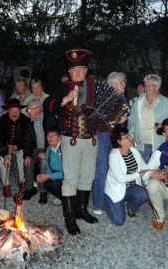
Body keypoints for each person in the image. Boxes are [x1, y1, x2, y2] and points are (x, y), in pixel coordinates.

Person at [45, 48, 124, 235]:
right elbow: (47, 106)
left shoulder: (95, 87)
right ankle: (69, 219)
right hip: (70, 139)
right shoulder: (63, 87)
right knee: (70, 178)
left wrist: (117, 118)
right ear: (70, 72)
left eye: (81, 69)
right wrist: (65, 99)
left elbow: (108, 112)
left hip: (92, 140)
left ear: (86, 70)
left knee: (88, 176)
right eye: (74, 70)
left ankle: (81, 210)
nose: (78, 72)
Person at [92, 72, 128, 215]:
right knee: (101, 171)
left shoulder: (123, 98)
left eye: (124, 82)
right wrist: (115, 121)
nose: (124, 85)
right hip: (102, 137)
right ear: (112, 84)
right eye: (122, 82)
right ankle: (97, 204)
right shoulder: (104, 98)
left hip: (115, 137)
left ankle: (108, 201)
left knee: (112, 171)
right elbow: (97, 119)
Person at [128, 74, 168, 163]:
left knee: (158, 170)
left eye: (150, 85)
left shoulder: (166, 102)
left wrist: (165, 124)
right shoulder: (139, 101)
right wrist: (131, 135)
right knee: (142, 171)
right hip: (141, 143)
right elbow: (132, 120)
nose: (147, 88)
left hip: (158, 143)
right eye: (146, 85)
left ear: (157, 87)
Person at [104, 126, 149, 226]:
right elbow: (121, 178)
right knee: (119, 221)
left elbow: (144, 166)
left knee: (144, 194)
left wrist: (154, 172)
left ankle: (130, 208)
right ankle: (107, 202)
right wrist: (139, 174)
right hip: (116, 190)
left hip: (131, 188)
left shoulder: (133, 150)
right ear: (119, 141)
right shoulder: (114, 155)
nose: (129, 137)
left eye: (128, 135)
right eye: (126, 136)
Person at [0, 98, 36, 197]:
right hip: (5, 147)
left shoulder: (25, 120)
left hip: (19, 147)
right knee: (2, 160)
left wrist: (16, 146)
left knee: (23, 157)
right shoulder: (1, 121)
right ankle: (6, 184)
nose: (14, 113)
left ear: (20, 111)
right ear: (7, 110)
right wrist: (5, 154)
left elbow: (28, 140)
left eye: (16, 111)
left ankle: (22, 181)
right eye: (12, 111)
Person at [22, 99, 49, 204]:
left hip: (48, 148)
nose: (27, 112)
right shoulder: (29, 122)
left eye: (29, 109)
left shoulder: (48, 119)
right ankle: (29, 188)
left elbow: (54, 138)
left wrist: (47, 152)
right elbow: (27, 141)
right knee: (28, 161)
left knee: (44, 161)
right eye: (27, 109)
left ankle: (43, 191)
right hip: (37, 148)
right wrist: (27, 155)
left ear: (38, 109)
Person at [35, 126, 63, 204]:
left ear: (59, 137)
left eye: (53, 135)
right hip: (55, 174)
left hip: (66, 177)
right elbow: (49, 167)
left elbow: (67, 173)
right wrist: (42, 176)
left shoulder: (64, 149)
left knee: (55, 184)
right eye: (49, 135)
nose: (51, 138)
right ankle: (61, 197)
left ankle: (68, 200)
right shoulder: (49, 149)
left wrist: (49, 176)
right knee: (46, 184)